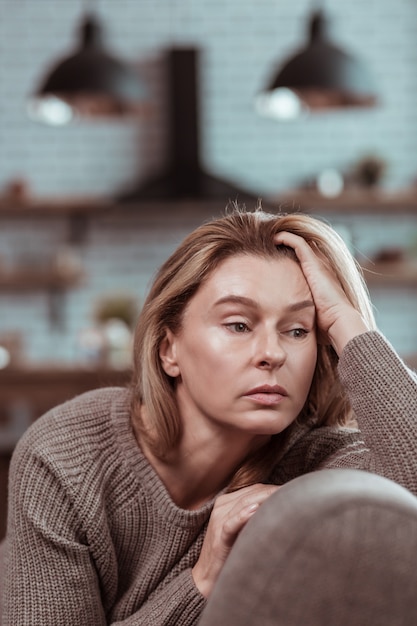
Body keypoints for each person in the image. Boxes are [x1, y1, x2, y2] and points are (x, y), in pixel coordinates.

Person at [2, 208, 417, 625]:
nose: (272, 353)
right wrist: (202, 580)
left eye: (297, 330)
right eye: (238, 325)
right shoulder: (64, 458)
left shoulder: (318, 461)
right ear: (169, 350)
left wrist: (350, 323)